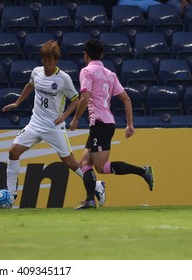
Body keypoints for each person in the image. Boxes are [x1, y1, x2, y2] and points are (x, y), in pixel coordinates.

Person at [1, 40, 106, 205]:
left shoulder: (63, 78)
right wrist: (17, 103)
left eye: (50, 60)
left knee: (70, 163)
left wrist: (65, 115)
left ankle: (97, 186)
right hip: (35, 124)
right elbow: (30, 85)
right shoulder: (36, 72)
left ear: (56, 60)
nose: (46, 63)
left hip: (54, 127)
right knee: (13, 151)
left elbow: (76, 100)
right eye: (44, 59)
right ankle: (11, 194)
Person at [69, 38, 155, 210]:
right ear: (102, 54)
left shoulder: (87, 72)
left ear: (85, 55)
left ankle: (143, 171)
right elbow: (126, 99)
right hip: (104, 123)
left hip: (100, 124)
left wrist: (76, 118)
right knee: (84, 164)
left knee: (100, 167)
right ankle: (90, 200)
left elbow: (84, 98)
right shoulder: (110, 74)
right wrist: (130, 124)